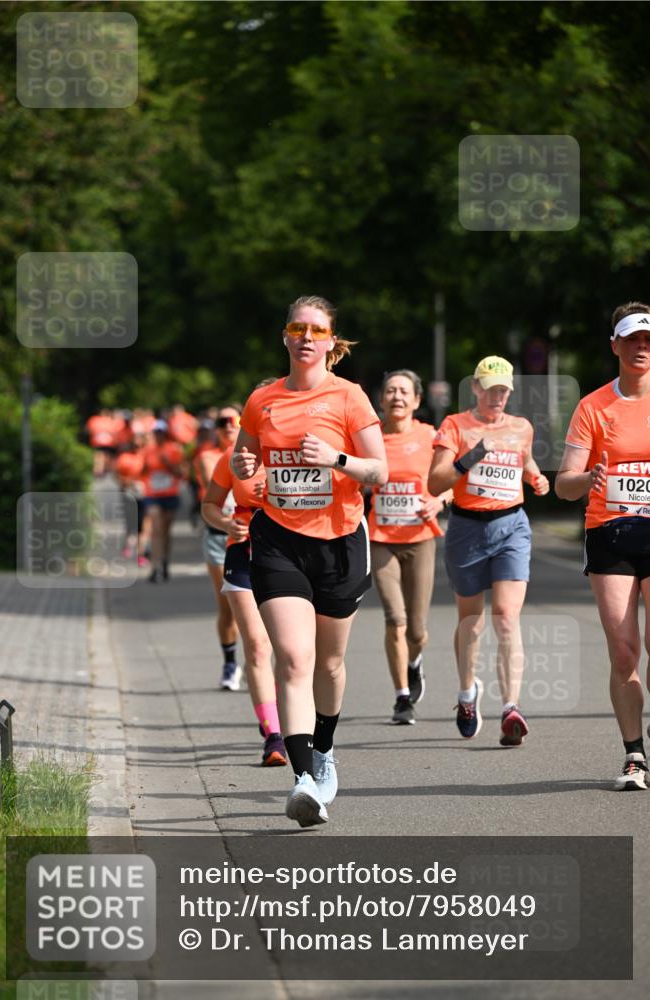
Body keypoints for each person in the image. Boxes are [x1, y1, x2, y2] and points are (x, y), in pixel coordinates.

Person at [232, 294, 387, 827]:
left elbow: (380, 472)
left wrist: (338, 459)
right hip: (278, 538)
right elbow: (243, 460)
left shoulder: (350, 398)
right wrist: (244, 460)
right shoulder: (263, 400)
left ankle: (322, 749)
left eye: (316, 330)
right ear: (285, 336)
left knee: (330, 663)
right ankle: (302, 781)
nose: (305, 337)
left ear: (329, 342)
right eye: (296, 327)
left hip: (341, 542)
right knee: (294, 658)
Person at [555, 302, 650, 790]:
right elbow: (564, 485)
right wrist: (587, 478)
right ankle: (635, 756)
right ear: (615, 345)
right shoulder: (593, 406)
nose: (641, 348)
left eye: (649, 340)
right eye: (632, 340)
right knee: (623, 652)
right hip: (610, 532)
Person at [429, 356, 549, 747]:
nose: (497, 396)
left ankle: (511, 707)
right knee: (472, 621)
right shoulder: (455, 426)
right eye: (491, 388)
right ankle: (467, 694)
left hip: (512, 525)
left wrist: (533, 476)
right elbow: (435, 482)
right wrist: (475, 453)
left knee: (506, 616)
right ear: (476, 389)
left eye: (504, 390)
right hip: (466, 528)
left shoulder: (521, 427)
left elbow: (525, 455)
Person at [203, 417, 288, 767]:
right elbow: (209, 505)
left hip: (291, 554)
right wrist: (227, 523)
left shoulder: (297, 455)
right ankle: (274, 736)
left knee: (291, 649)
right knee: (256, 645)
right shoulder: (234, 456)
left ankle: (293, 720)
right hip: (244, 552)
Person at [369, 370, 452, 725]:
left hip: (420, 538)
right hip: (381, 539)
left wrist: (441, 501)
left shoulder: (431, 437)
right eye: (390, 390)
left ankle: (414, 663)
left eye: (404, 391)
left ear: (417, 401)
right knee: (395, 618)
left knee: (417, 630)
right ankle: (402, 698)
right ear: (381, 399)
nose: (397, 396)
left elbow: (454, 480)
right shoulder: (369, 439)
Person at [195, 406, 243, 690]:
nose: (227, 426)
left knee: (258, 606)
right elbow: (212, 483)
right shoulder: (207, 457)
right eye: (221, 422)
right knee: (227, 605)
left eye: (234, 420)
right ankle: (229, 663)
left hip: (249, 536)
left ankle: (257, 660)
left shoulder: (257, 455)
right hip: (218, 536)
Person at [141, 419, 185, 582]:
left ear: (165, 433)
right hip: (152, 494)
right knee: (156, 529)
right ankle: (154, 568)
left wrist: (169, 464)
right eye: (155, 432)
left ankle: (165, 562)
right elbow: (143, 470)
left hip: (170, 494)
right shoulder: (148, 450)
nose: (158, 435)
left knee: (165, 532)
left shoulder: (174, 449)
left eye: (160, 432)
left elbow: (181, 473)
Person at [114, 432, 149, 565]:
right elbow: (117, 476)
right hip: (129, 493)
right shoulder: (124, 458)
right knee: (130, 521)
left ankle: (141, 553)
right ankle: (128, 544)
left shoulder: (147, 456)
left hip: (147, 494)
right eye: (135, 442)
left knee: (144, 524)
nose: (138, 445)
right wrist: (129, 482)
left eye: (140, 442)